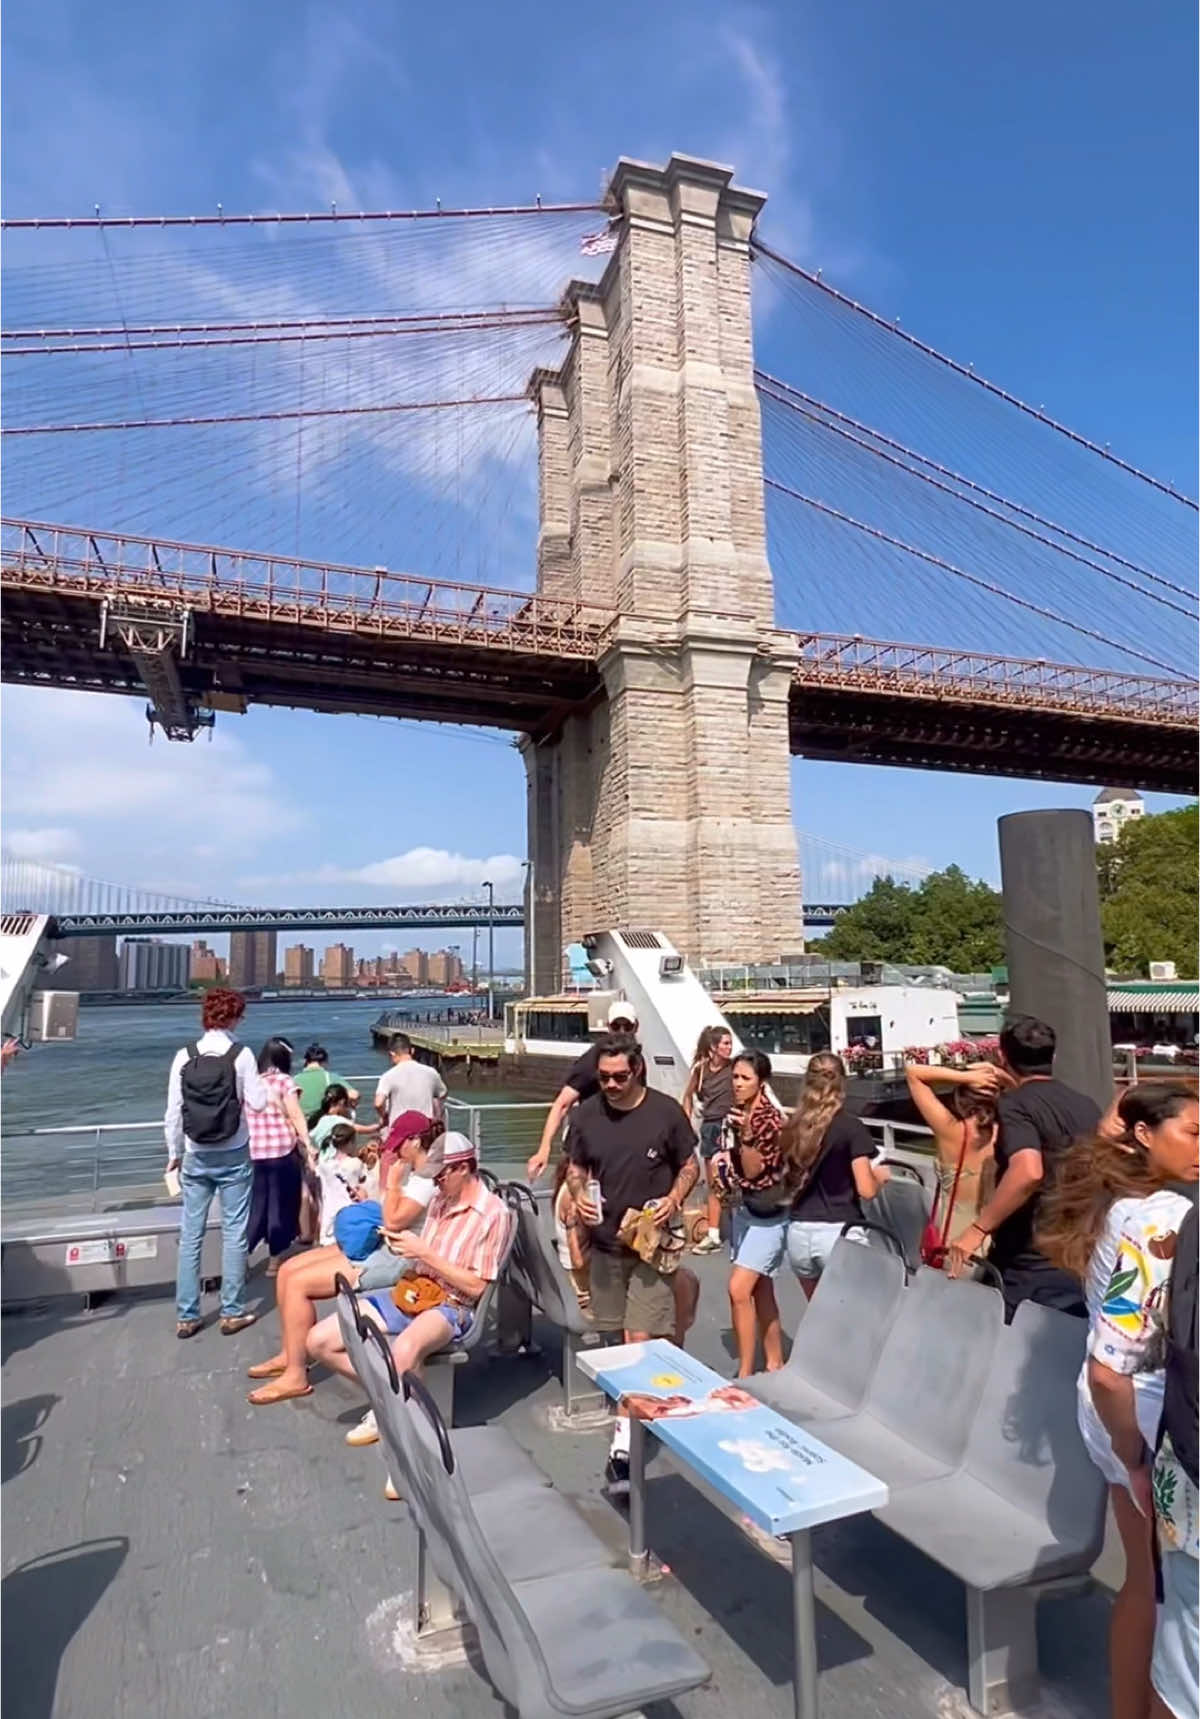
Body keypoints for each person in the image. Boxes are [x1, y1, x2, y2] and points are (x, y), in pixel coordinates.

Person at [1036, 1082, 1198, 1719]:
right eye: (1190, 1131)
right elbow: (1119, 1367)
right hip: (1146, 1411)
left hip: (1114, 1405)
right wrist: (1136, 1455)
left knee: (1147, 1582)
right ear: (1143, 1135)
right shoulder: (1165, 1222)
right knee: (1170, 1599)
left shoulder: (1119, 1199)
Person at [306, 1132, 511, 1486]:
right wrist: (406, 1249)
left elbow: (477, 1288)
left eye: (440, 1175)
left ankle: (411, 1455)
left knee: (404, 1349)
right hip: (415, 1289)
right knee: (319, 1341)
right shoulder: (440, 1198)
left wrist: (424, 1253)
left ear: (463, 1168)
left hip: (452, 1304)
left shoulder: (493, 1213)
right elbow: (418, 1253)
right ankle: (389, 1401)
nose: (434, 1182)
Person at [566, 1032, 699, 1483]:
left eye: (619, 1076)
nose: (611, 1085)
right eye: (603, 1078)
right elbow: (576, 1168)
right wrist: (579, 1195)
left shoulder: (665, 1113)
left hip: (650, 1246)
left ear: (637, 1069)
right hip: (605, 1245)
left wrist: (675, 1198)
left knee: (637, 1338)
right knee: (611, 1337)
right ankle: (650, 1395)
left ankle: (625, 1439)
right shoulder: (586, 1115)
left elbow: (690, 1165)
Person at [246, 1109, 438, 1406]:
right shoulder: (413, 1173)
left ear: (416, 1141)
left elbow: (394, 1221)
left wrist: (392, 1185)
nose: (395, 1150)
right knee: (288, 1270)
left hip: (395, 1257)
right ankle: (290, 1352)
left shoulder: (425, 1181)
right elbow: (388, 1213)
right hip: (379, 1243)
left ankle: (296, 1375)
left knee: (298, 1283)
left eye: (400, 1144)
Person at [945, 1014, 1101, 1318]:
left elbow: (1028, 1170)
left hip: (1026, 1261)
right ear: (1053, 1055)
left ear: (1003, 1057)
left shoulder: (1015, 1104)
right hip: (1076, 1255)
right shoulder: (1087, 1104)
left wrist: (976, 1230)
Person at [165, 987, 269, 1339]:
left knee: (190, 1235)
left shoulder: (184, 1055)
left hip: (195, 1155)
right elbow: (256, 1103)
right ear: (235, 1016)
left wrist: (173, 1155)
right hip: (234, 1153)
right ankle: (232, 1311)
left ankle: (187, 1315)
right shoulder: (242, 1055)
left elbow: (173, 1113)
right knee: (234, 1234)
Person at [784, 1052, 890, 1297]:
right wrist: (880, 1178)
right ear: (842, 1082)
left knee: (819, 1316)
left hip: (799, 1234)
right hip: (838, 1233)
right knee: (857, 1315)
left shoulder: (793, 1125)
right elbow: (866, 1189)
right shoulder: (851, 1127)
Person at [712, 1050, 788, 1376]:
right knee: (761, 1287)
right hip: (746, 1209)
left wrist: (746, 1136)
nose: (738, 1084)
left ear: (761, 1082)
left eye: (746, 1078)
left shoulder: (768, 1119)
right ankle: (774, 1361)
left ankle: (744, 1372)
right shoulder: (737, 1111)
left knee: (738, 1289)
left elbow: (755, 1169)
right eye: (735, 1077)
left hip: (768, 1214)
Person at [526, 999, 639, 1182]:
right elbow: (562, 1104)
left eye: (627, 1026)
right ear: (608, 1027)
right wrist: (544, 1149)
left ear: (636, 1027)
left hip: (619, 1144)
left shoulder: (637, 1061)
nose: (622, 1032)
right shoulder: (592, 1061)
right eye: (616, 1026)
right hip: (586, 1143)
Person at [903, 1059, 1000, 1245]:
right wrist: (997, 1073)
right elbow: (1031, 1092)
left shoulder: (950, 1130)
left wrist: (965, 1076)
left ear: (959, 1098)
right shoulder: (1007, 1131)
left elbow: (913, 1072)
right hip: (992, 1232)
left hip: (954, 1236)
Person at [246, 1037, 313, 1276]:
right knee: (281, 1206)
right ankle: (275, 1260)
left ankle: (240, 1255)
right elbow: (295, 1115)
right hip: (283, 1152)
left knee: (255, 1206)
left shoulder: (250, 1082)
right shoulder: (284, 1081)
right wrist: (308, 1144)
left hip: (254, 1153)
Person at [682, 1025, 735, 1254]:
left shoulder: (735, 1068)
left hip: (731, 1125)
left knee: (734, 1178)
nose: (729, 1047)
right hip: (711, 1127)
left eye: (730, 1043)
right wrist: (685, 1126)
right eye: (725, 1043)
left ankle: (740, 1227)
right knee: (715, 1181)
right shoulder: (701, 1071)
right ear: (713, 1047)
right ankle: (713, 1234)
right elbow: (687, 1098)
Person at [374, 1034, 446, 1136]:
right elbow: (443, 1093)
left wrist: (384, 1116)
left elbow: (378, 1103)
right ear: (412, 1051)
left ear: (391, 1054)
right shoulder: (431, 1072)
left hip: (399, 1131)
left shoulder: (388, 1076)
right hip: (425, 1131)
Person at [308, 1083, 378, 1154]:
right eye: (346, 1104)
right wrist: (380, 1125)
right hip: (331, 1160)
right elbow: (361, 1129)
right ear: (341, 1102)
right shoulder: (336, 1120)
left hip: (320, 1158)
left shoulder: (320, 1118)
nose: (347, 1108)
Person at [292, 1043, 358, 1117]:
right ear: (325, 1062)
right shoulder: (329, 1077)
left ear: (306, 1061)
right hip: (323, 1122)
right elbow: (354, 1095)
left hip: (299, 1122)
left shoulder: (294, 1079)